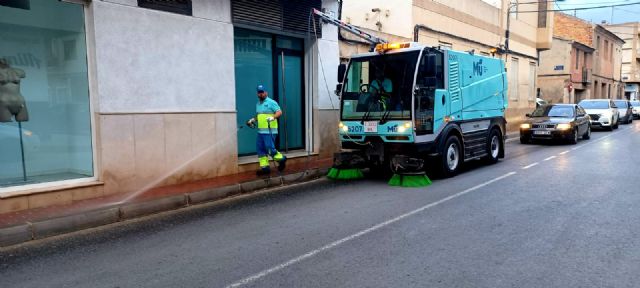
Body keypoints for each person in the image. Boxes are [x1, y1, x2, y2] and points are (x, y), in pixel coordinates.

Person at [246, 84, 286, 175]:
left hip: (270, 131)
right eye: (259, 92)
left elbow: (279, 112)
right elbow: (259, 115)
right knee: (260, 150)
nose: (260, 94)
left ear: (266, 92)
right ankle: (265, 169)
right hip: (260, 132)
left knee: (270, 149)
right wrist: (252, 120)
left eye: (262, 92)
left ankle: (282, 159)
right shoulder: (258, 104)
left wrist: (273, 117)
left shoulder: (272, 102)